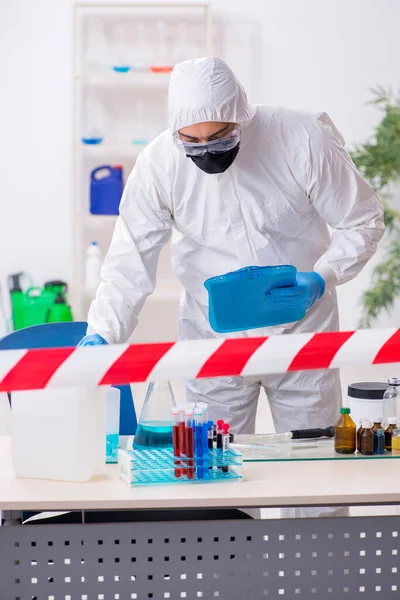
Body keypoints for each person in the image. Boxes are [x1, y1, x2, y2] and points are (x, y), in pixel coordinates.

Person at [80, 57, 384, 471]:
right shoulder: (158, 166)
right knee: (214, 474)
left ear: (242, 115)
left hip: (301, 332)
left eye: (221, 136)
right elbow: (129, 262)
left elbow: (362, 221)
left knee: (317, 469)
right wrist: (102, 333)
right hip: (212, 342)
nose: (207, 151)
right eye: (193, 142)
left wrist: (321, 277)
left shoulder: (301, 138)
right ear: (176, 135)